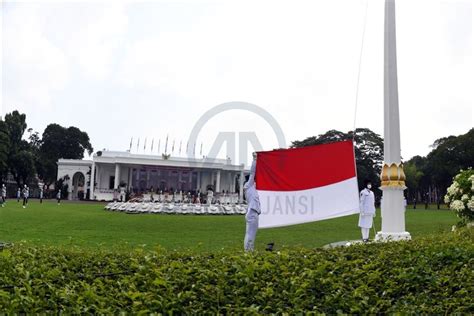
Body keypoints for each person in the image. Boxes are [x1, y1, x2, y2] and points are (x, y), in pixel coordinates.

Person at [244, 154, 260, 251]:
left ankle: (249, 250)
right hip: (252, 213)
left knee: (251, 233)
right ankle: (248, 251)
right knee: (250, 234)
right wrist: (255, 160)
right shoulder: (248, 186)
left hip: (253, 213)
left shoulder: (251, 188)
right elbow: (252, 173)